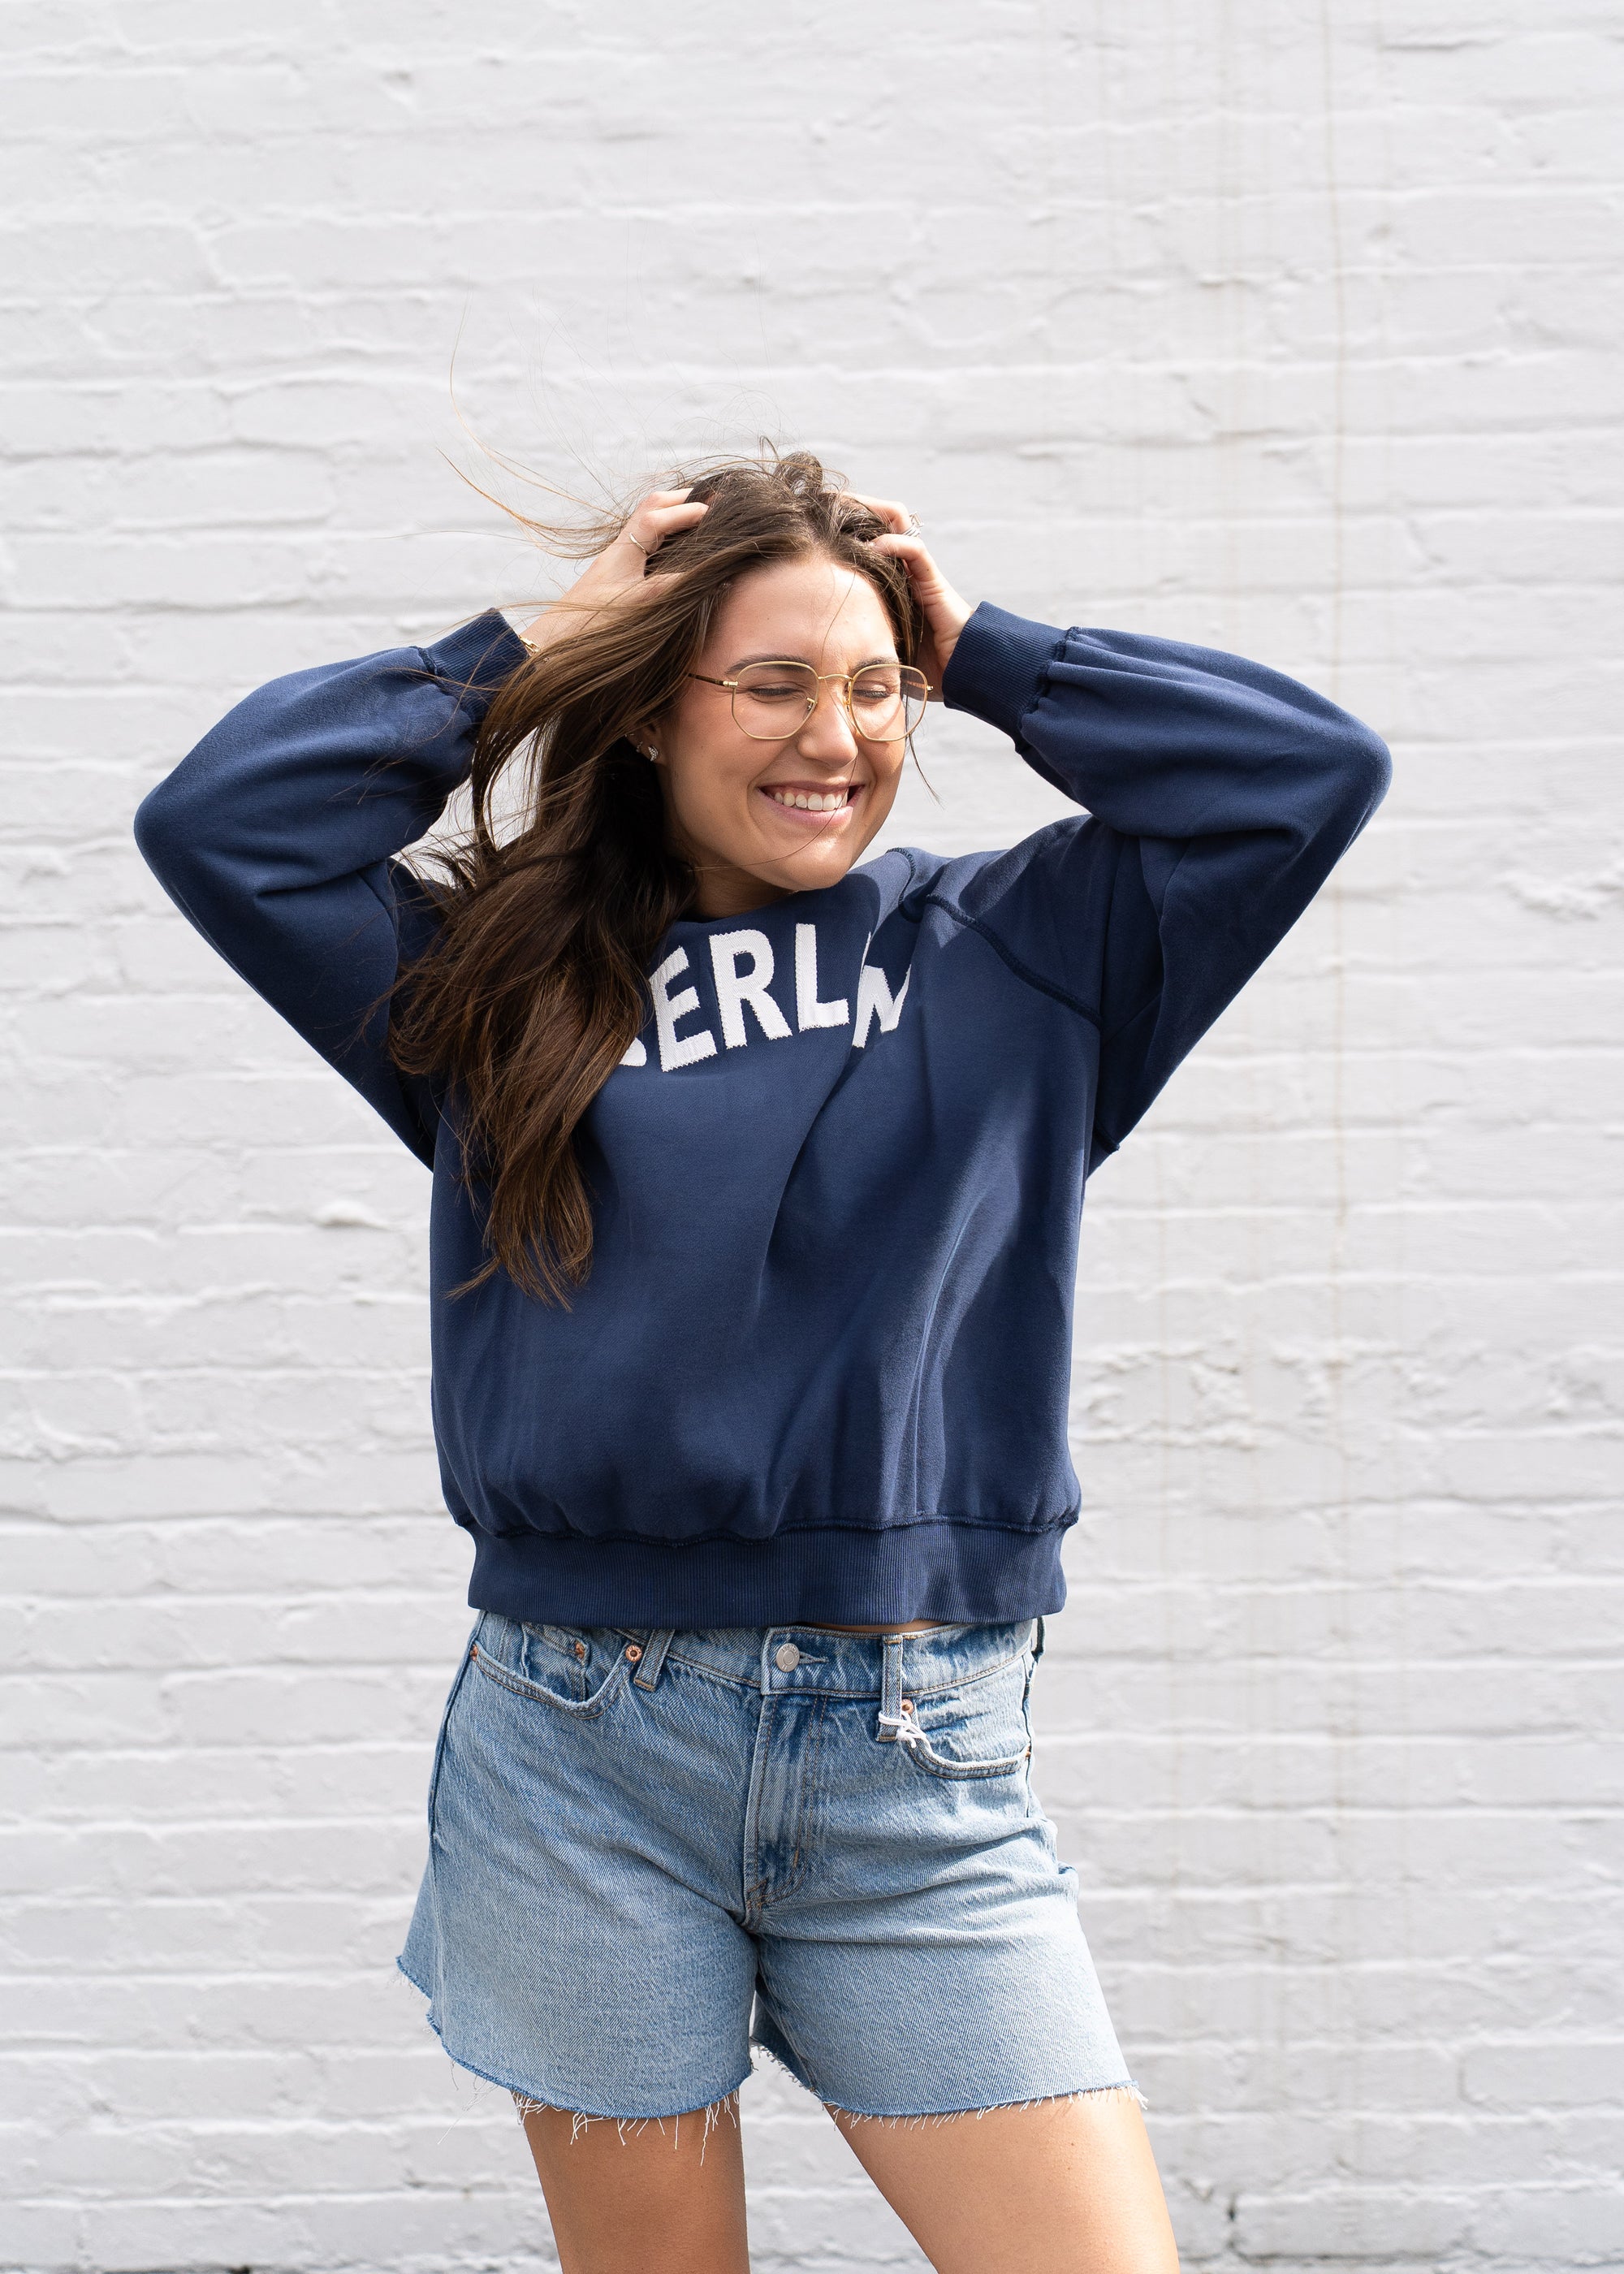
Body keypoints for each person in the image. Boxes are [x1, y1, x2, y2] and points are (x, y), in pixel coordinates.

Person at [133, 450, 1390, 2274]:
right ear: (656, 708)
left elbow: (1304, 774)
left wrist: (989, 651)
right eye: (776, 683)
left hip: (913, 1757)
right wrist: (529, 652)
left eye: (875, 687)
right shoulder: (498, 987)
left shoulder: (1024, 950)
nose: (837, 736)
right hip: (579, 1750)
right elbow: (226, 821)